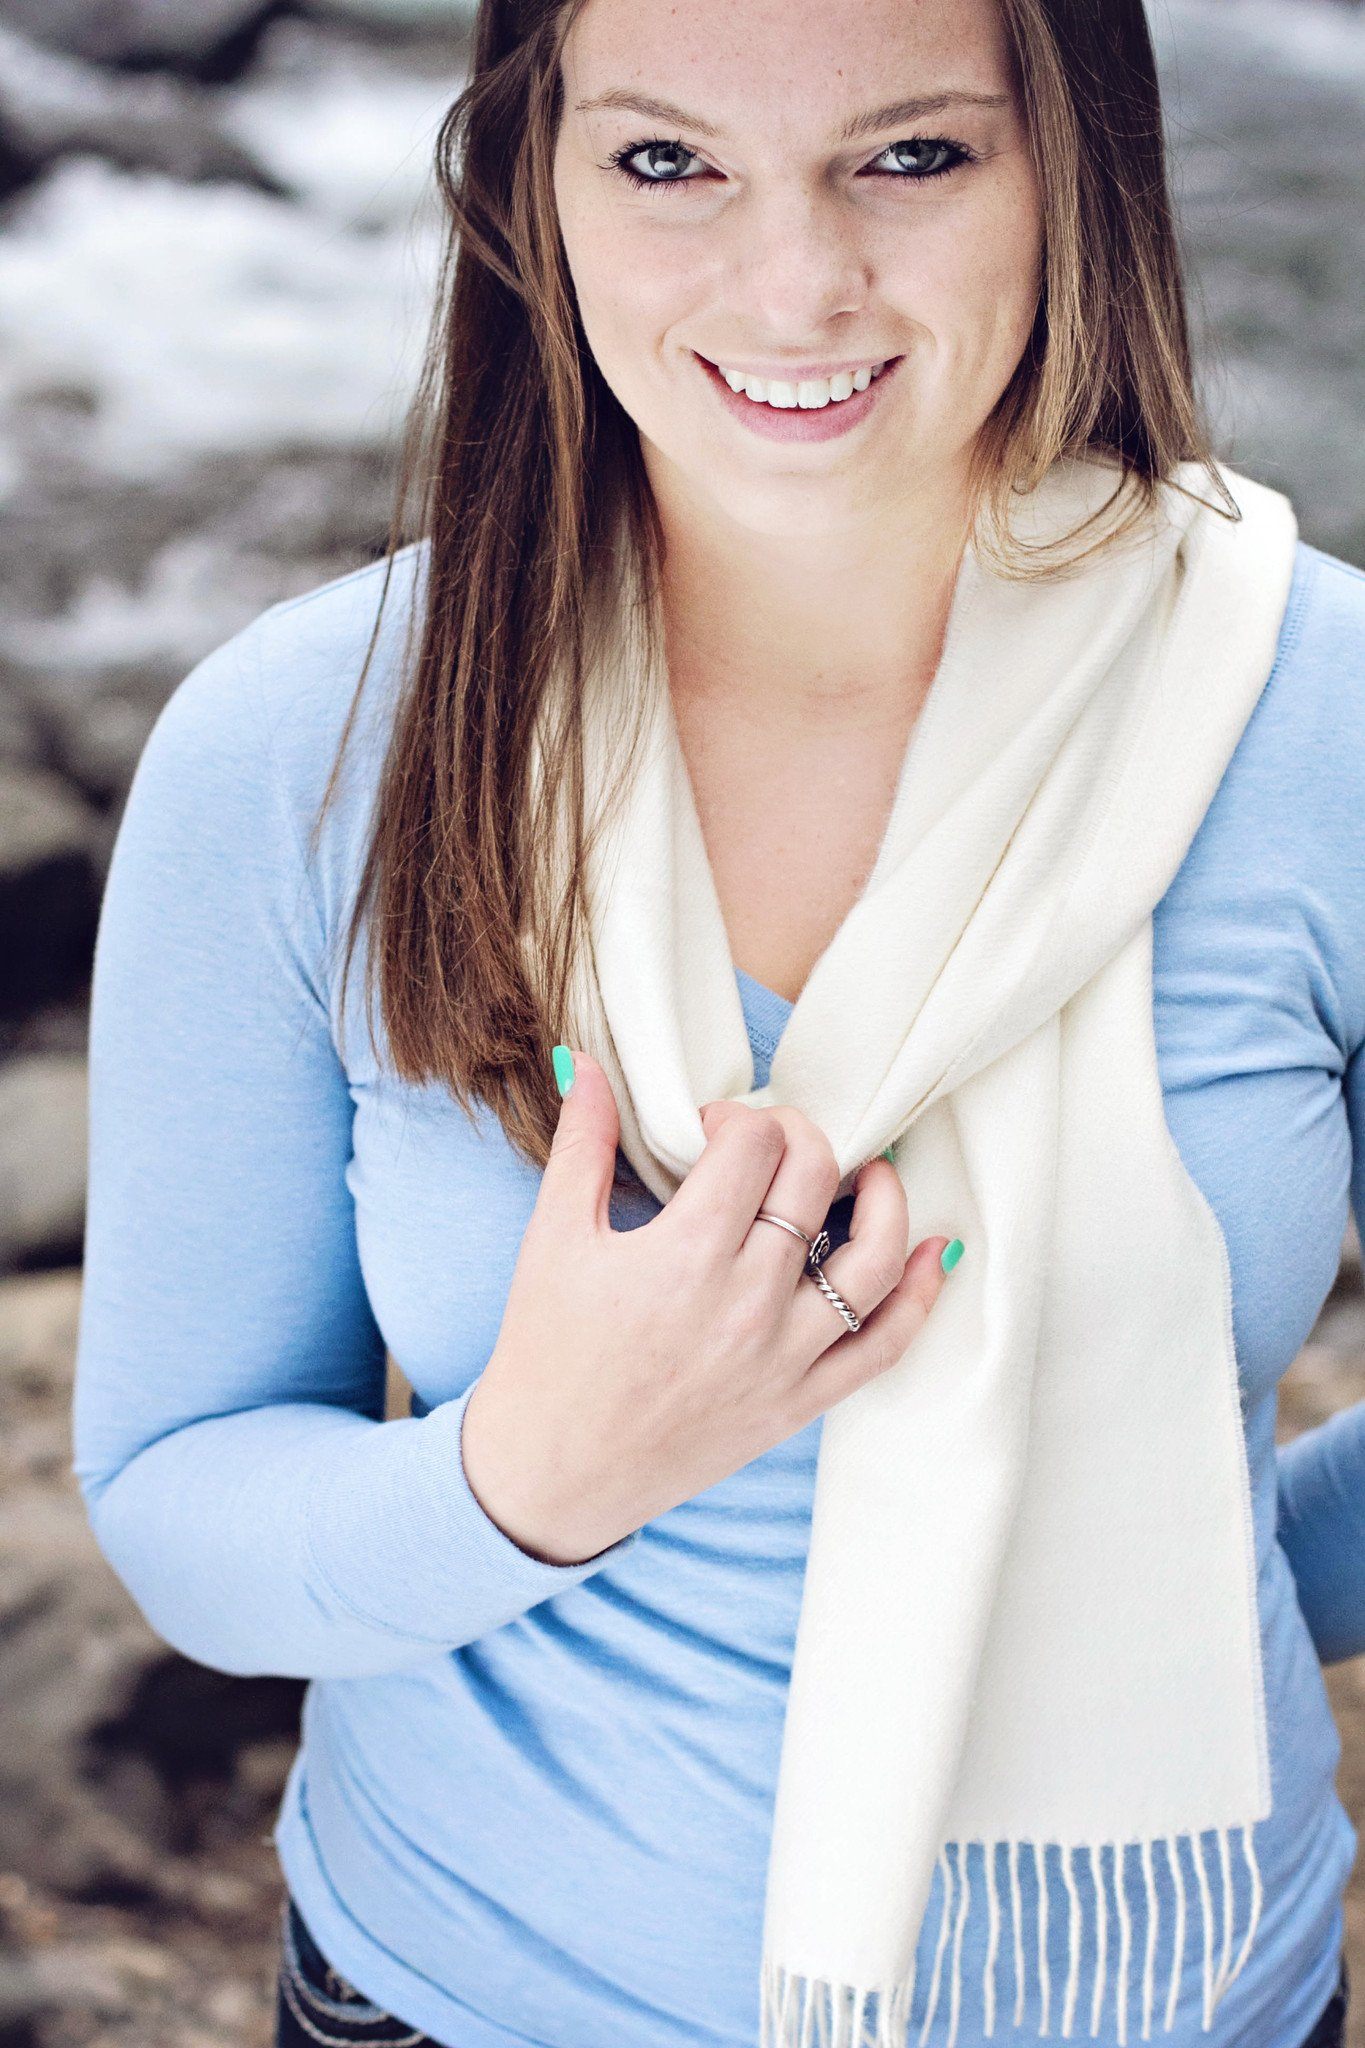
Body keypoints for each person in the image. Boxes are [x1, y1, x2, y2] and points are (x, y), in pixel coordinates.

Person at [69, 0, 1365, 2042]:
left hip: (1185, 1999)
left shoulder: (1317, 717)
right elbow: (177, 1494)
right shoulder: (307, 749)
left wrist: (1188, 1573)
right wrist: (529, 1476)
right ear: (538, 180)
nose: (792, 284)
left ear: (1073, 167)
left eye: (912, 157)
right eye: (665, 162)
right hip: (463, 1997)